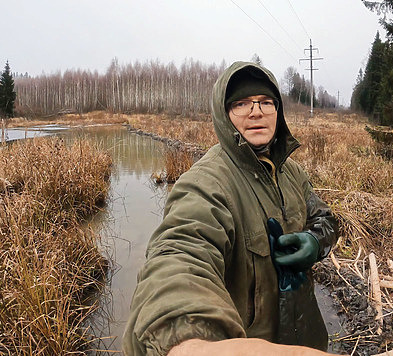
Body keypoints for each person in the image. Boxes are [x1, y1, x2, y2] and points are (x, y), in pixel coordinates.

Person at [123, 61, 340, 355]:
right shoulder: (205, 183)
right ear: (224, 115)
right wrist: (187, 343)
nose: (256, 111)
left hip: (308, 337)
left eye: (266, 102)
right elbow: (181, 253)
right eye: (241, 103)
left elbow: (325, 218)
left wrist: (316, 241)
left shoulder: (293, 173)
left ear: (278, 111)